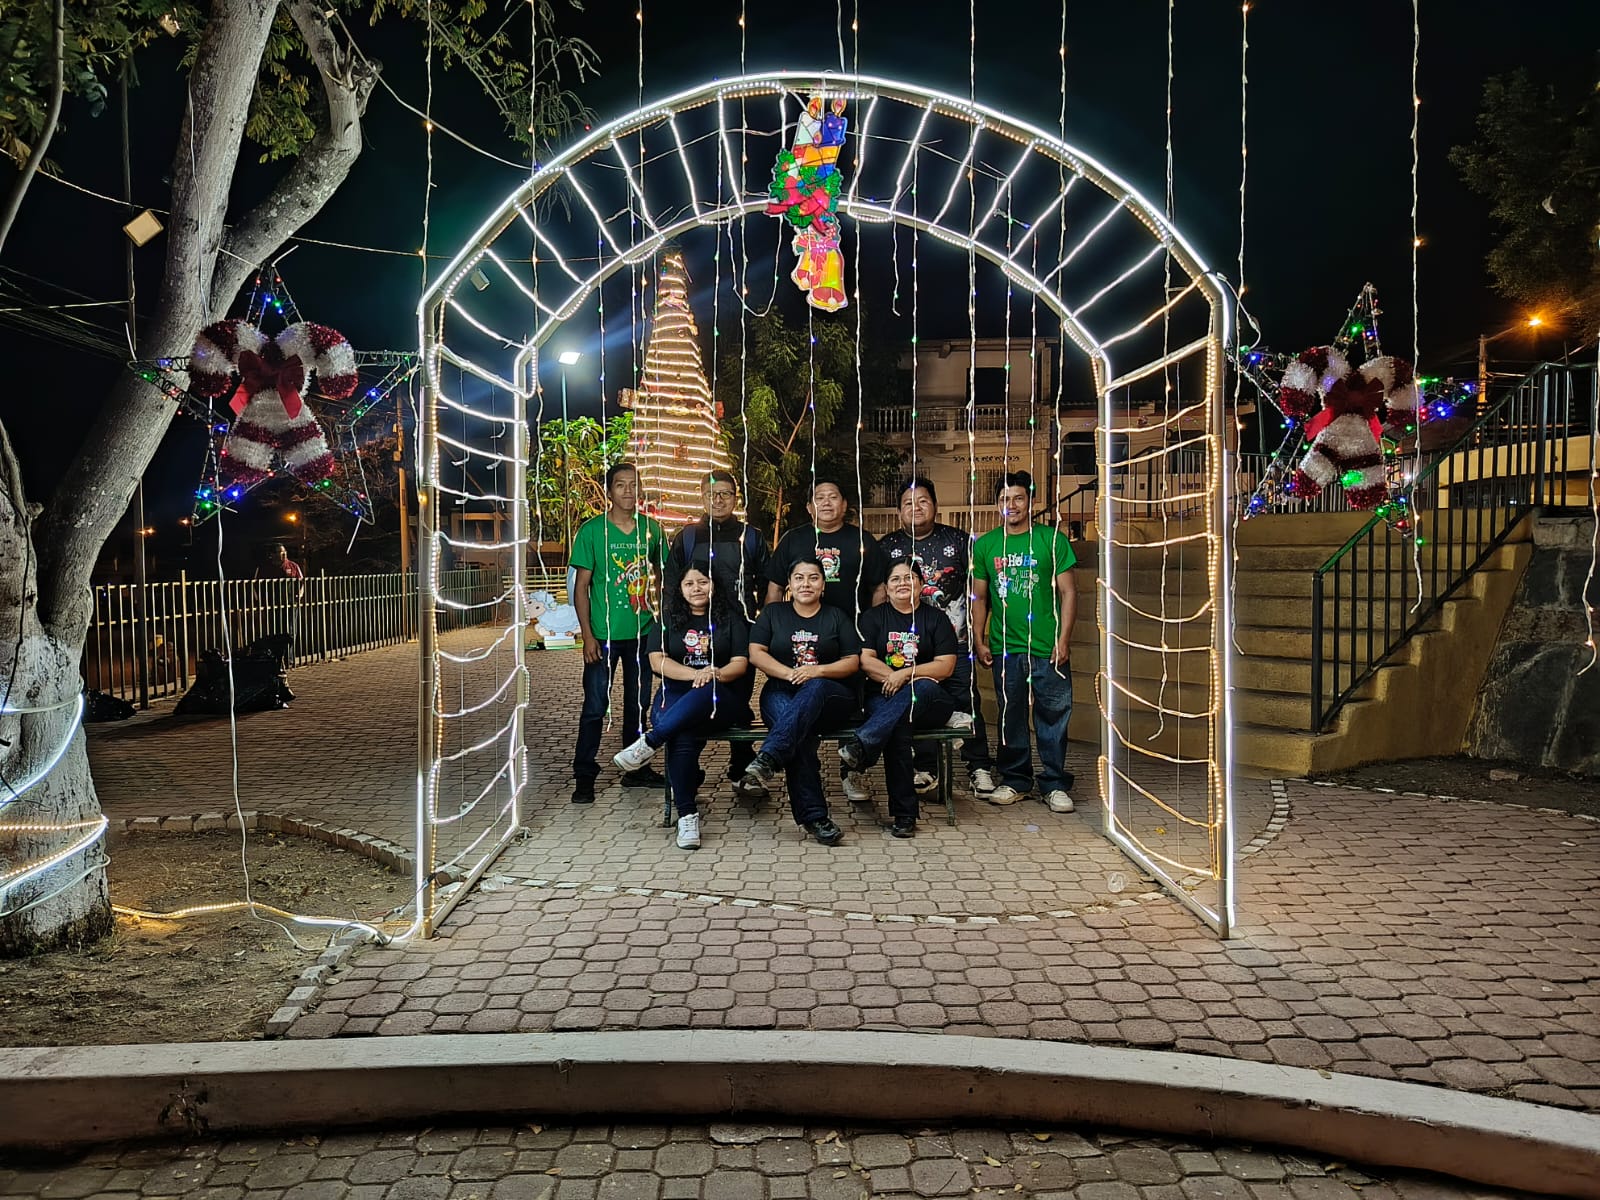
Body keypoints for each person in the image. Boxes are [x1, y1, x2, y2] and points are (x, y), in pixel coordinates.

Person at [613, 559, 749, 850]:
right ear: (680, 588)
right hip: (676, 694)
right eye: (689, 583)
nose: (696, 588)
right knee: (682, 734)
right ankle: (687, 816)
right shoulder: (666, 620)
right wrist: (695, 674)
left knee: (702, 695)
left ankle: (650, 742)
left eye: (703, 582)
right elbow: (656, 661)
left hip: (720, 698)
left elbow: (740, 663)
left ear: (714, 585)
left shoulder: (731, 618)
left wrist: (714, 674)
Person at [877, 476, 998, 799]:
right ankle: (926, 767)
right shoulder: (887, 547)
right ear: (899, 511)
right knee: (920, 705)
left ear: (935, 505)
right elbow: (879, 595)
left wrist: (978, 637)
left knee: (966, 700)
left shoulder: (958, 541)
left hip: (956, 643)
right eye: (908, 503)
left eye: (923, 501)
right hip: (907, 648)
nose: (915, 508)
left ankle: (978, 767)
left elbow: (978, 593)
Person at [970, 470, 1079, 814]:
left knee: (1053, 715)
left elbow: (1069, 592)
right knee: (1010, 715)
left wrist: (1064, 639)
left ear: (1031, 501)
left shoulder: (1051, 540)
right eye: (1005, 499)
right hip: (1005, 648)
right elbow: (979, 598)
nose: (1012, 505)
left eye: (1018, 498)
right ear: (997, 504)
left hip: (1047, 647)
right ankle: (1015, 780)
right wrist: (979, 639)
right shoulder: (986, 545)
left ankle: (1054, 783)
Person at [736, 558, 862, 846]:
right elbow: (756, 653)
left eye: (813, 578)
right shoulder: (773, 613)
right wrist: (789, 673)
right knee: (798, 735)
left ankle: (769, 757)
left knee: (810, 694)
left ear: (823, 584)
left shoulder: (836, 616)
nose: (806, 584)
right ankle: (815, 818)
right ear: (789, 584)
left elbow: (852, 661)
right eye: (799, 578)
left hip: (829, 694)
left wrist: (817, 671)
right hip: (781, 690)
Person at [839, 560, 959, 838]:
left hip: (929, 701)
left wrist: (905, 675)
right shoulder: (872, 618)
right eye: (895, 579)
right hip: (884, 695)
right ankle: (905, 815)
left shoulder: (936, 619)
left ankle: (862, 744)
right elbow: (865, 660)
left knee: (923, 688)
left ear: (920, 584)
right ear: (886, 587)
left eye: (909, 578)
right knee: (897, 728)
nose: (902, 583)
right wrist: (895, 678)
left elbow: (945, 666)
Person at [570, 462, 667, 804]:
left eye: (633, 484)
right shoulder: (592, 531)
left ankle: (635, 769)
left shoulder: (652, 530)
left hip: (642, 634)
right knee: (595, 706)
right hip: (603, 636)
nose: (628, 491)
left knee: (639, 705)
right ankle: (584, 776)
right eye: (620, 485)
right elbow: (581, 588)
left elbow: (665, 578)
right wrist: (587, 635)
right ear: (609, 491)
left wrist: (661, 623)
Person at [665, 470, 767, 781]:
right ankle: (687, 768)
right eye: (712, 494)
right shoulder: (687, 537)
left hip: (738, 633)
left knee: (738, 699)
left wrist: (762, 624)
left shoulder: (751, 537)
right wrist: (673, 627)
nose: (718, 500)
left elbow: (768, 586)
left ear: (736, 498)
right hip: (693, 633)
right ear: (702, 497)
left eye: (725, 493)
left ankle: (740, 765)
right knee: (692, 695)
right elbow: (670, 586)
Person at [765, 478, 888, 624]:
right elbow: (775, 588)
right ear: (809, 507)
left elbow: (879, 588)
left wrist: (873, 627)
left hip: (853, 629)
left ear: (844, 505)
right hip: (800, 630)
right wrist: (771, 626)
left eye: (833, 497)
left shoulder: (863, 540)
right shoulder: (792, 539)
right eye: (819, 498)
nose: (826, 503)